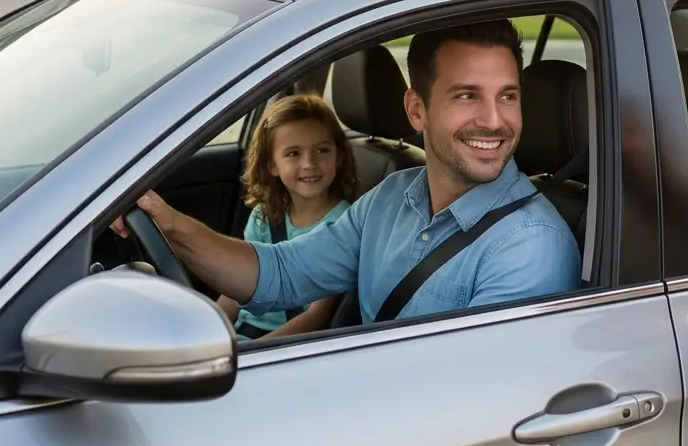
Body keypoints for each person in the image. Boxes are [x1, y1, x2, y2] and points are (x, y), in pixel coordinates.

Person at [113, 19, 582, 326]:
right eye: (467, 95)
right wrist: (168, 223)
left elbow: (466, 404)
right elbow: (280, 272)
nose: (495, 120)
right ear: (416, 110)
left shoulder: (530, 245)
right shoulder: (393, 197)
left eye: (507, 95)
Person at [216, 94, 357, 340]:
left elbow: (316, 316)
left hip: (285, 345)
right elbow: (235, 286)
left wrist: (255, 353)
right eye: (293, 153)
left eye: (322, 150)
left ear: (339, 156)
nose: (309, 163)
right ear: (272, 165)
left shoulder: (344, 223)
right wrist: (212, 327)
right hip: (243, 334)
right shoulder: (264, 215)